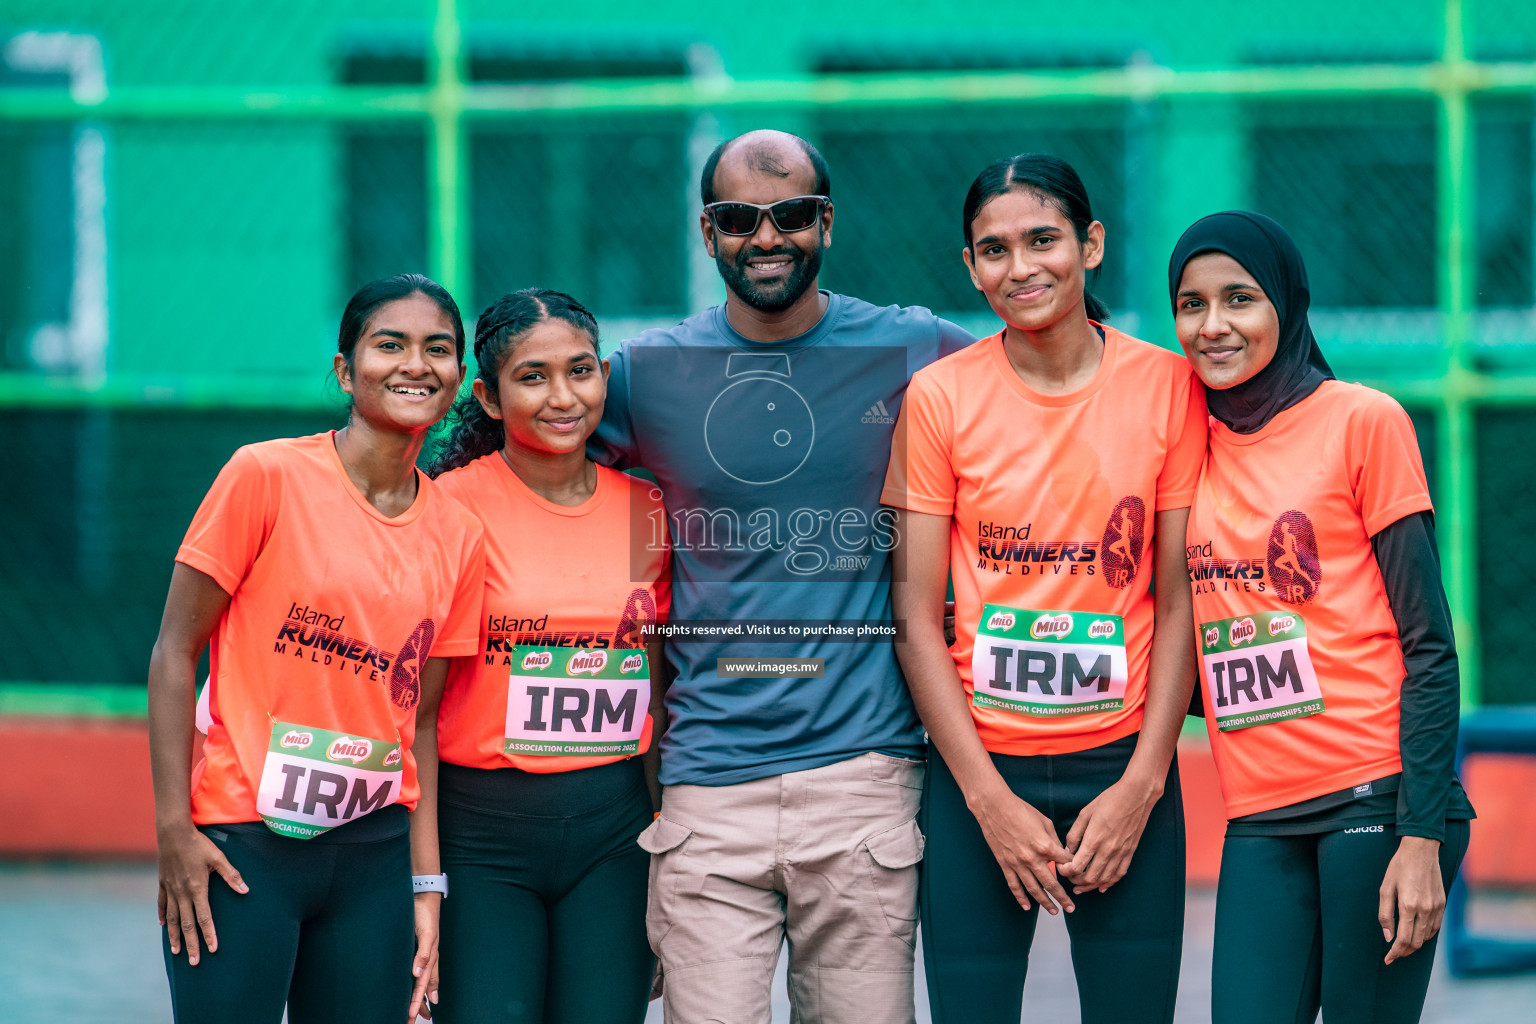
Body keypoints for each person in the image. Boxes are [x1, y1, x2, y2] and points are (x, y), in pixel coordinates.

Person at [589, 129, 973, 1023]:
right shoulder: (649, 373)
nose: (767, 238)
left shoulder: (917, 350)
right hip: (706, 784)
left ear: (826, 223)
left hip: (866, 779)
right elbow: (524, 441)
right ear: (707, 230)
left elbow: (1058, 375)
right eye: (739, 219)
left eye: (791, 214)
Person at [883, 153, 1206, 1024]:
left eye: (1042, 240)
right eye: (993, 249)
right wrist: (987, 801)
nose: (1019, 268)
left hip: (1125, 769)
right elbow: (913, 617)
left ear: (1090, 244)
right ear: (969, 266)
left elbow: (1179, 602)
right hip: (976, 775)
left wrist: (1143, 786)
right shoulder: (940, 397)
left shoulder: (1168, 386)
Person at [148, 274, 487, 1024]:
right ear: (345, 369)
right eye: (388, 345)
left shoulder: (459, 535)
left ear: (459, 378)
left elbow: (420, 726)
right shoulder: (264, 475)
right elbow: (175, 652)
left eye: (437, 350)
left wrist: (424, 891)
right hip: (242, 850)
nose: (414, 365)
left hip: (371, 857)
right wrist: (175, 830)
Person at [1169, 210, 1475, 1024]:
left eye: (1240, 298)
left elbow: (1431, 646)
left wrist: (1421, 836)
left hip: (1378, 796)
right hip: (1260, 811)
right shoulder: (1183, 441)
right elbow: (1212, 654)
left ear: (1287, 305)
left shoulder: (1360, 420)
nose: (1214, 325)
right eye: (1191, 304)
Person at [423, 289, 670, 1024]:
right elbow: (419, 715)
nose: (563, 396)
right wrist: (422, 884)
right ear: (489, 398)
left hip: (615, 834)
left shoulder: (647, 509)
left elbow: (656, 694)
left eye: (581, 370)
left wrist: (665, 852)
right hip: (483, 837)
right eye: (533, 376)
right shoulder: (448, 509)